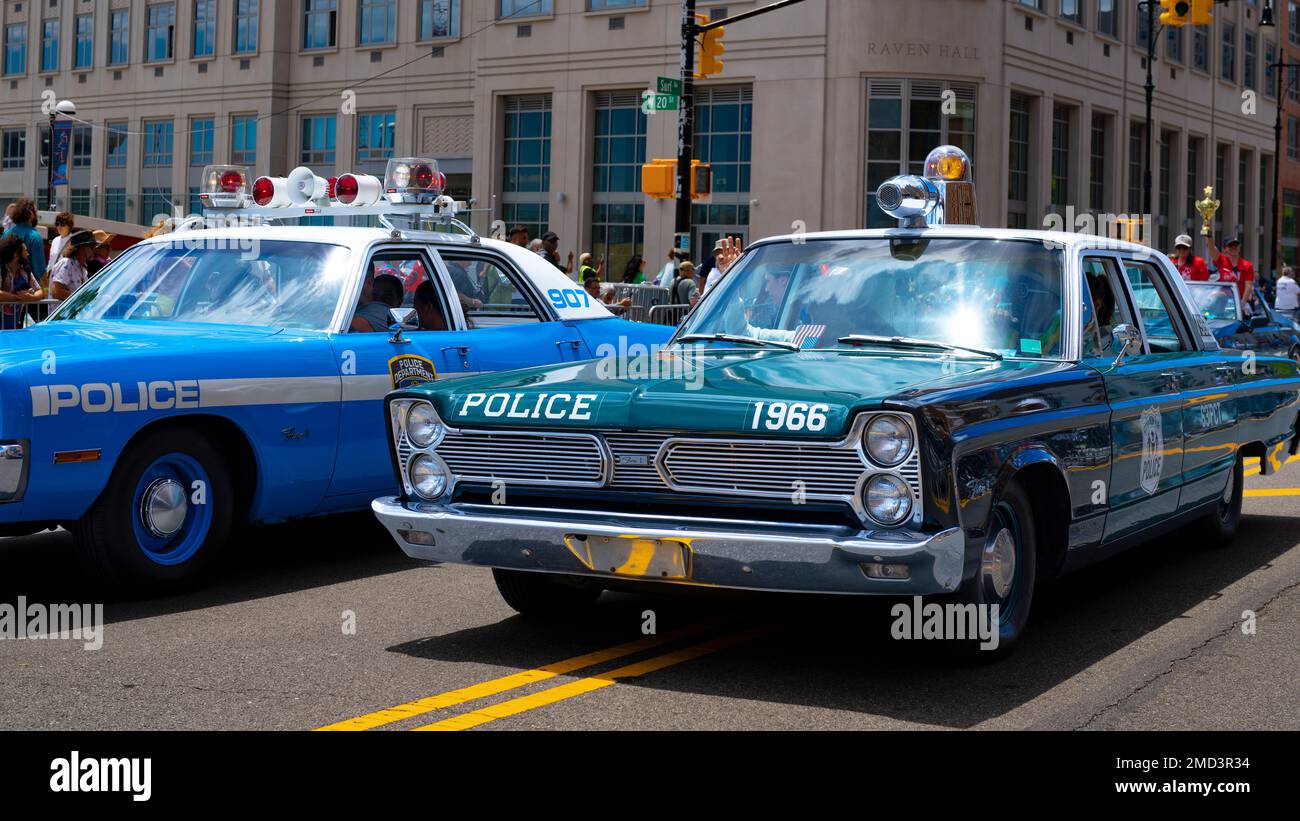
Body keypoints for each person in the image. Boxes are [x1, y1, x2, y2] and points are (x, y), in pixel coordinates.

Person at [0, 234, 45, 329]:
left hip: (16, 323)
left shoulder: (25, 270)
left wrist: (31, 297)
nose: (28, 254)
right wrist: (17, 297)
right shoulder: (1, 269)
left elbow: (41, 291)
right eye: (25, 251)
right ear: (16, 255)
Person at [1, 199, 46, 290]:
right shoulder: (35, 237)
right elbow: (40, 270)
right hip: (29, 293)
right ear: (31, 214)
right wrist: (46, 290)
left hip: (7, 290)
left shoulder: (6, 234)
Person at [1205, 234, 1256, 305]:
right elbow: (1212, 249)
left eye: (1236, 245)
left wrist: (1242, 304)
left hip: (1240, 301)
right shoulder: (1221, 260)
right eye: (1230, 246)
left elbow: (1248, 286)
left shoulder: (1247, 265)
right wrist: (1209, 236)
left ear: (1239, 247)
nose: (1234, 248)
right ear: (1225, 249)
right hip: (1222, 301)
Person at [48, 229, 97, 301]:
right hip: (63, 311)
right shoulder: (67, 263)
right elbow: (57, 292)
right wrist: (80, 298)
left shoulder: (83, 268)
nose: (94, 251)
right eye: (92, 247)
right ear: (81, 248)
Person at [350, 267, 391, 332]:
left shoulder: (379, 311)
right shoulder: (356, 310)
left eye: (348, 281)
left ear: (368, 282)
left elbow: (360, 324)